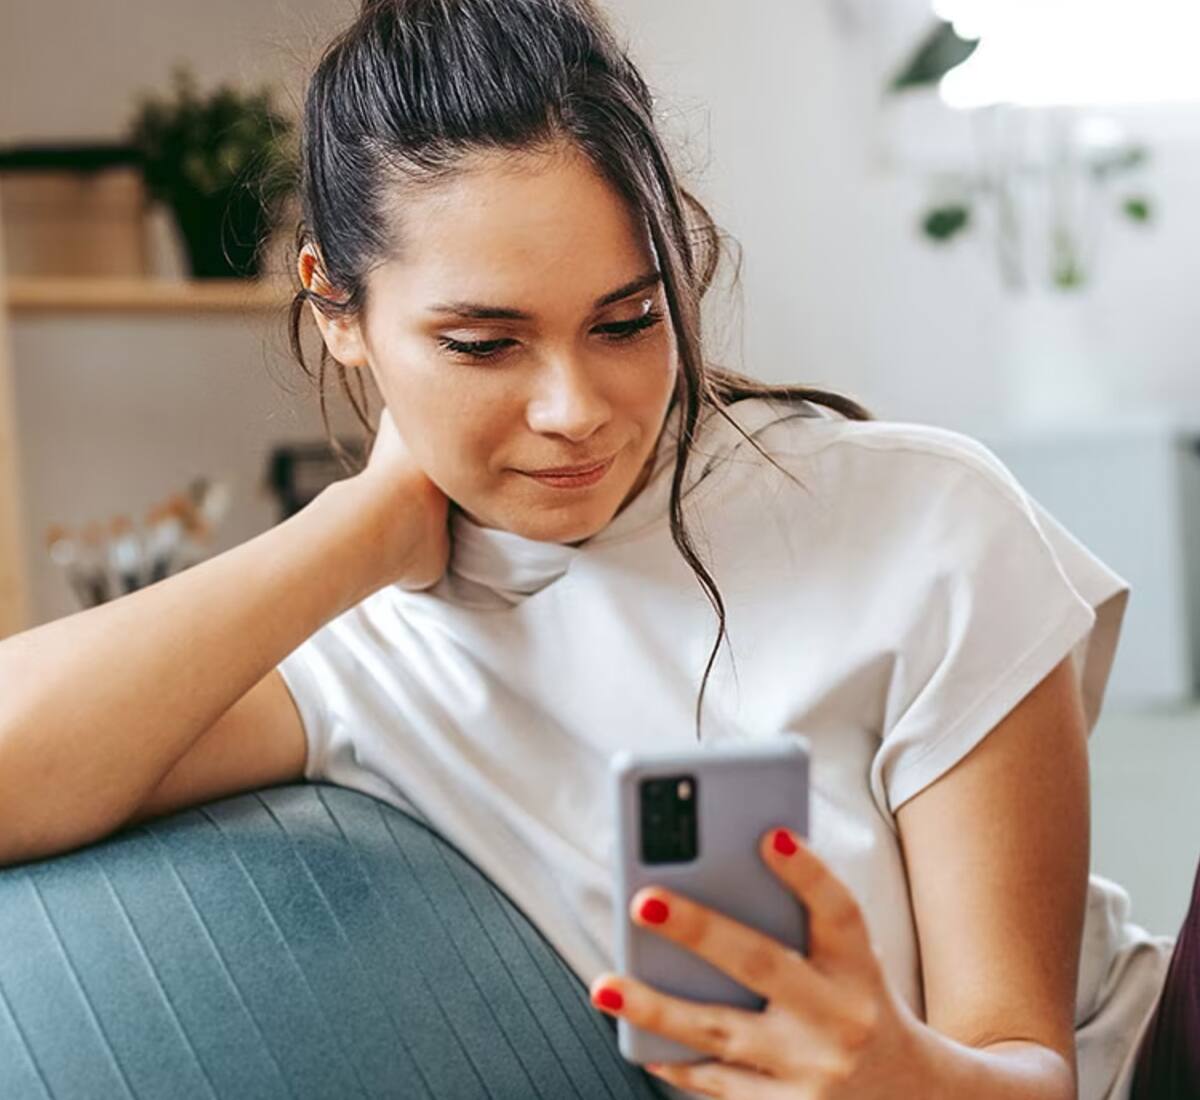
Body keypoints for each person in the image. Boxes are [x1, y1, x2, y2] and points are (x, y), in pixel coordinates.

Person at [0, 0, 1191, 1097]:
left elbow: (1033, 1064)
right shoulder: (357, 649)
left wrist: (892, 1071)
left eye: (627, 319)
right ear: (336, 306)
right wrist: (355, 529)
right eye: (483, 343)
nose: (576, 407)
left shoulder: (920, 523)